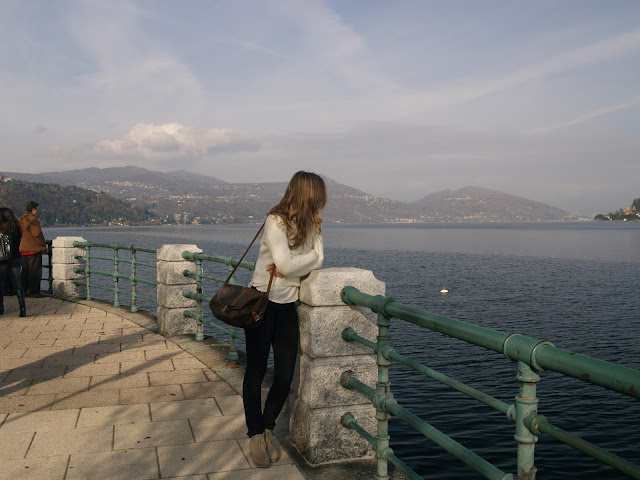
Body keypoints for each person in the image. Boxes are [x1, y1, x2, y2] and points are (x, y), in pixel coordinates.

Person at [243, 171, 326, 468]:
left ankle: (268, 428)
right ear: (309, 195)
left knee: (285, 374)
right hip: (262, 304)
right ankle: (255, 435)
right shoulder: (275, 221)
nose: (323, 204)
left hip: (289, 305)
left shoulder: (313, 224)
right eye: (320, 197)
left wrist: (291, 267)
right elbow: (288, 262)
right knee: (255, 371)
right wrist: (293, 266)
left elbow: (318, 259)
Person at [0, 208, 26, 317]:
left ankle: (1, 307)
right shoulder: (16, 228)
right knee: (18, 284)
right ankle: (22, 308)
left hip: (2, 260)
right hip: (16, 258)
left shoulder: (1, 228)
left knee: (0, 284)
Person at [19, 201, 47, 297]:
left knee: (25, 271)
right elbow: (37, 234)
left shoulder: (21, 219)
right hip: (33, 248)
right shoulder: (33, 220)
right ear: (33, 209)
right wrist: (43, 246)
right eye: (37, 209)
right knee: (35, 271)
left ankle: (23, 290)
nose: (37, 211)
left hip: (23, 249)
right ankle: (34, 291)